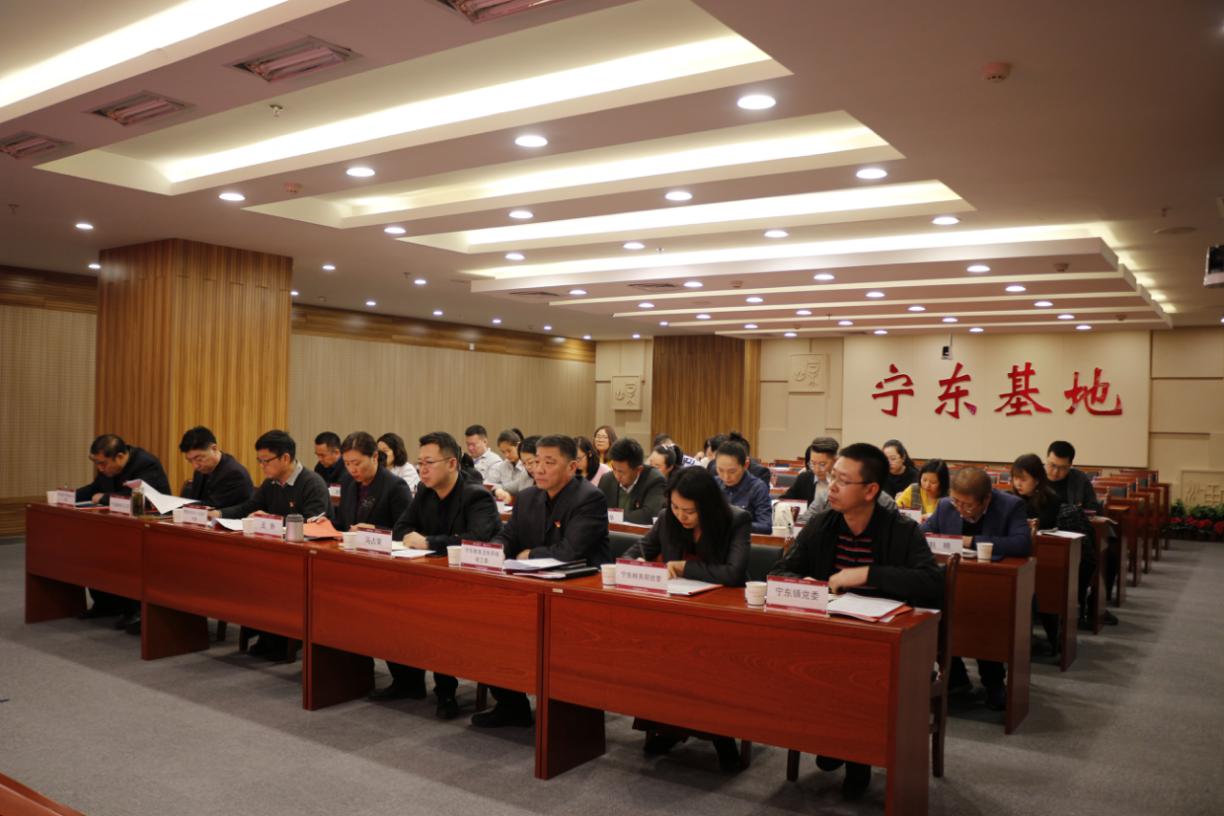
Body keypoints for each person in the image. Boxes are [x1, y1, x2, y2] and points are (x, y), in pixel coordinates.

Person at [770, 443, 942, 800]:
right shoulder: (823, 523)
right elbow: (782, 570)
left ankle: (854, 755)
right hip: (828, 636)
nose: (831, 486)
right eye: (832, 476)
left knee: (856, 673)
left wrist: (867, 574)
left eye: (842, 480)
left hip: (886, 643)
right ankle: (839, 742)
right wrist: (805, 584)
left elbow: (931, 583)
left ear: (870, 490)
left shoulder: (901, 530)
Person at [475, 434, 611, 728]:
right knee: (489, 624)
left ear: (572, 467)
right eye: (536, 461)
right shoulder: (527, 497)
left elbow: (571, 551)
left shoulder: (589, 498)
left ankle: (568, 715)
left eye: (549, 462)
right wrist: (492, 552)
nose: (539, 469)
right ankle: (511, 705)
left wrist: (530, 554)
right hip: (532, 587)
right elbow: (508, 536)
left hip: (576, 594)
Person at [623, 466, 751, 772]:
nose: (682, 516)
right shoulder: (668, 518)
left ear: (708, 505)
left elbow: (733, 573)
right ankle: (668, 726)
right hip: (677, 611)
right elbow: (633, 553)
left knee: (708, 665)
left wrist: (682, 567)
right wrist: (639, 564)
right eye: (676, 507)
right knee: (659, 653)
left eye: (690, 511)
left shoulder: (735, 520)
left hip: (721, 617)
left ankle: (722, 737)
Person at [382, 431, 502, 718]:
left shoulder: (476, 496)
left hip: (473, 587)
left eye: (429, 463)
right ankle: (408, 681)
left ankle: (445, 692)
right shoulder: (424, 492)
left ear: (451, 464)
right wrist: (426, 541)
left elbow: (477, 540)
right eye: (420, 463)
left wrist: (428, 542)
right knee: (391, 607)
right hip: (432, 579)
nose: (422, 469)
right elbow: (401, 529)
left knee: (438, 619)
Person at [214, 430, 331, 658]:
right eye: (259, 461)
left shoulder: (312, 483)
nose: (261, 466)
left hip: (304, 560)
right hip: (275, 555)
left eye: (265, 461)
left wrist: (272, 520)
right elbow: (248, 508)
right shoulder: (271, 483)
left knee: (273, 580)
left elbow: (313, 525)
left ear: (285, 458)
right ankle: (264, 630)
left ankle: (280, 638)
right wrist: (218, 514)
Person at [922, 466, 1029, 710]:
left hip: (992, 589)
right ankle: (956, 678)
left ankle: (994, 683)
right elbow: (922, 533)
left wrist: (972, 541)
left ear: (986, 499)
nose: (960, 509)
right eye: (956, 502)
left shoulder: (1010, 506)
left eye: (967, 505)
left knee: (984, 622)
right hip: (950, 584)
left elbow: (1022, 543)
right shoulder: (946, 505)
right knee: (935, 615)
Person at [75, 434, 171, 633]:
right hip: (118, 526)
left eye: (103, 464)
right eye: (97, 464)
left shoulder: (146, 465)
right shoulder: (108, 468)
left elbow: (139, 499)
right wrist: (67, 496)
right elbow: (94, 489)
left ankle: (135, 610)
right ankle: (106, 604)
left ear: (119, 456)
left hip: (150, 528)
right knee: (93, 549)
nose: (100, 468)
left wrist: (103, 498)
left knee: (125, 556)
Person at [1044, 441, 1108, 626]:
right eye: (1052, 465)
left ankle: (1079, 604)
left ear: (1070, 465)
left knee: (1095, 558)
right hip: (1045, 534)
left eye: (1062, 468)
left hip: (1073, 535)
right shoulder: (1036, 477)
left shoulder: (1079, 479)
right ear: (1046, 459)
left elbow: (1092, 508)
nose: (1056, 472)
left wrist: (1076, 512)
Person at [1010, 452, 1065, 654]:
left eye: (1023, 479)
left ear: (1037, 479)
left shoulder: (1051, 499)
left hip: (1045, 556)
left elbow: (1045, 525)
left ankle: (1053, 640)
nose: (1017, 483)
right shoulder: (1009, 499)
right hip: (1017, 556)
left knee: (1047, 589)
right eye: (1015, 478)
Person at [335, 432, 412, 532]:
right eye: (347, 464)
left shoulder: (396, 486)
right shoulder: (347, 481)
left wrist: (374, 530)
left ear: (375, 457)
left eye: (356, 463)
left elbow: (405, 532)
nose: (352, 470)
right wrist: (327, 525)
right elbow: (342, 524)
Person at [179, 426, 254, 510]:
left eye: (199, 459)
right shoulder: (200, 470)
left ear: (214, 448)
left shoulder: (234, 474)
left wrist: (181, 506)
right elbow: (195, 501)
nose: (195, 466)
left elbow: (213, 506)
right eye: (190, 461)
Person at [597, 437, 666, 524]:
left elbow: (648, 515)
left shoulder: (655, 480)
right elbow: (596, 511)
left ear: (639, 470)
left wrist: (612, 517)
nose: (616, 476)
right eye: (614, 469)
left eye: (621, 472)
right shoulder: (607, 479)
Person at [713, 440, 772, 534]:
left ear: (746, 465)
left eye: (732, 471)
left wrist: (736, 524)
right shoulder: (713, 484)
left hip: (745, 540)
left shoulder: (758, 488)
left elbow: (766, 527)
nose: (726, 477)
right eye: (720, 470)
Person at [781, 437, 839, 504]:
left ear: (835, 461)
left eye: (822, 464)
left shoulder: (842, 482)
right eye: (813, 463)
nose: (816, 470)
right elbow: (783, 501)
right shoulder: (804, 478)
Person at [487, 428, 533, 502]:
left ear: (518, 446)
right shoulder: (502, 465)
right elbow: (491, 485)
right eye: (503, 452)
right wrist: (498, 490)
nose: (506, 455)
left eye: (509, 451)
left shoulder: (527, 469)